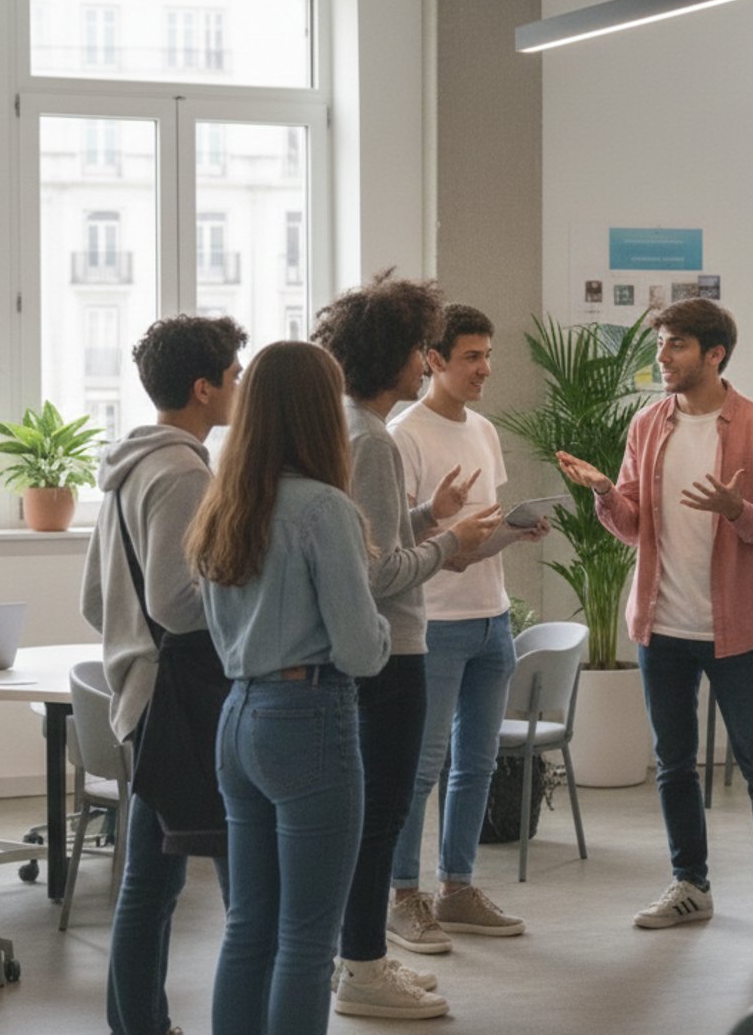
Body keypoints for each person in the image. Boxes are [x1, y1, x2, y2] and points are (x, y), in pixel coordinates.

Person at [555, 296, 753, 951]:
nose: (660, 357)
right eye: (660, 345)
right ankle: (689, 884)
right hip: (660, 626)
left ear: (714, 353)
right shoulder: (648, 425)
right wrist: (608, 493)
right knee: (672, 764)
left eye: (675, 345)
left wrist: (738, 510)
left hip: (736, 630)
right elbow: (635, 526)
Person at [312, 273, 503, 1020]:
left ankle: (363, 955)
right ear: (399, 355)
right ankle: (362, 963)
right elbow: (380, 571)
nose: (427, 363)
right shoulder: (376, 441)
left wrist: (429, 517)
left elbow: (381, 538)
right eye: (421, 350)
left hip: (388, 648)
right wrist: (449, 542)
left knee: (381, 809)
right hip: (393, 653)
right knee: (385, 812)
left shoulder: (355, 431)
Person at [190, 340, 391, 1035]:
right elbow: (362, 652)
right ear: (319, 412)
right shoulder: (323, 508)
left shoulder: (225, 503)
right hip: (310, 718)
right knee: (309, 940)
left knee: (249, 926)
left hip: (239, 717)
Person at [81, 313, 246, 1035]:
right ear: (204, 388)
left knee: (153, 878)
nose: (240, 387)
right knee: (174, 880)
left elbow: (94, 598)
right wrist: (247, 605)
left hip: (140, 693)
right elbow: (177, 602)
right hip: (178, 697)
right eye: (234, 376)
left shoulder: (129, 465)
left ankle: (143, 1023)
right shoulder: (183, 470)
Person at [385, 304, 546, 955]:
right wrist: (465, 536)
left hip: (491, 617)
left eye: (488, 354)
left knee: (476, 764)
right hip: (434, 624)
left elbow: (482, 528)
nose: (485, 367)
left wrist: (518, 527)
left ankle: (457, 886)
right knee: (418, 769)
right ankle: (403, 894)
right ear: (434, 360)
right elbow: (404, 537)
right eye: (472, 356)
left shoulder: (483, 428)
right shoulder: (404, 434)